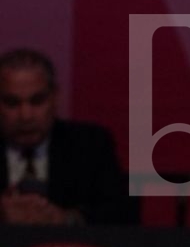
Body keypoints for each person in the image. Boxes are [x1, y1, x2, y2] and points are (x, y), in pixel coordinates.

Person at [0, 48, 136, 226]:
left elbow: (122, 214)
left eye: (37, 101)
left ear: (55, 98)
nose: (26, 115)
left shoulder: (90, 144)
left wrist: (65, 219)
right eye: (12, 103)